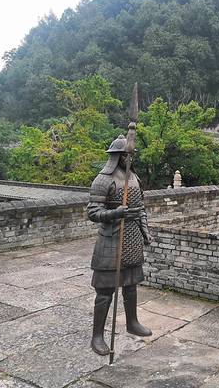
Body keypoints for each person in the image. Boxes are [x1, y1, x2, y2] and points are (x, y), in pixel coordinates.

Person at [87, 134, 153, 355]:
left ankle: (132, 322)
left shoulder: (134, 178)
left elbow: (141, 209)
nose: (129, 159)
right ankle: (97, 336)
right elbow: (93, 212)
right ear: (117, 156)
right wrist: (116, 212)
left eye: (131, 155)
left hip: (131, 237)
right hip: (111, 240)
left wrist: (145, 232)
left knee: (131, 285)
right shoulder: (103, 180)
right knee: (105, 291)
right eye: (126, 155)